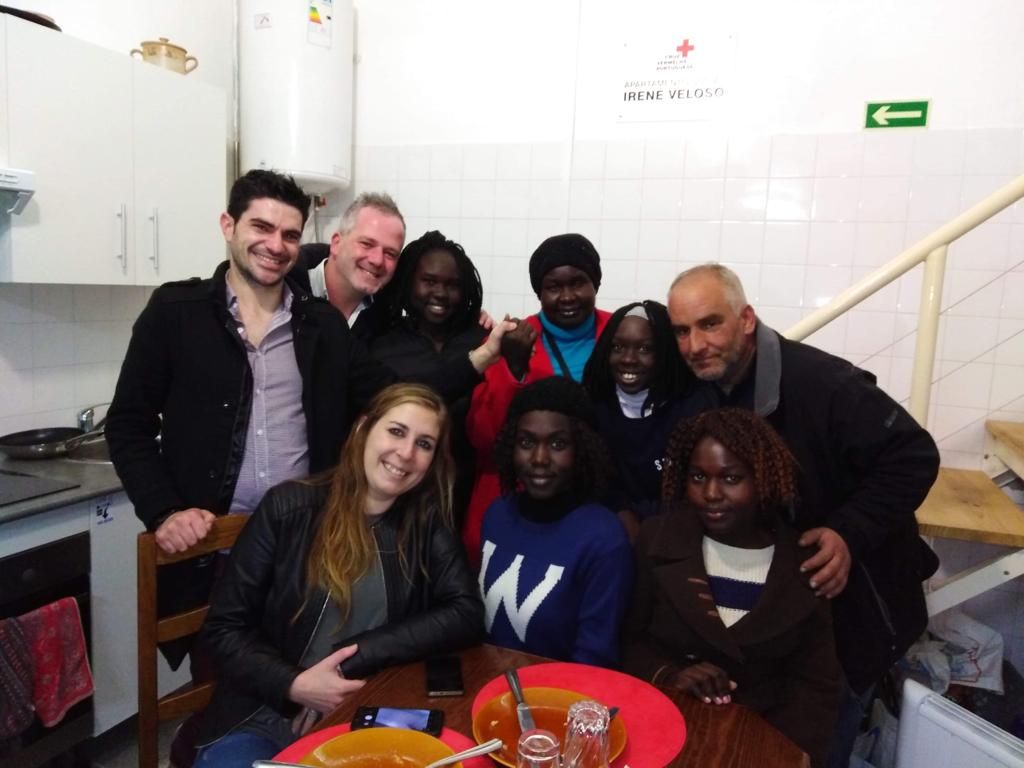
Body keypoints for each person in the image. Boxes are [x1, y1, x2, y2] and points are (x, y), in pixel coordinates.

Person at [666, 263, 940, 764]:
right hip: (779, 617)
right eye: (682, 331)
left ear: (747, 319)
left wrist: (848, 532)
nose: (695, 345)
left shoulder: (824, 383)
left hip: (850, 614)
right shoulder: (703, 389)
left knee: (815, 746)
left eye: (710, 324)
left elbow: (914, 456)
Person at [193, 384, 483, 768]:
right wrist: (295, 684)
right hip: (264, 715)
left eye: (424, 444)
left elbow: (466, 613)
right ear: (363, 428)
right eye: (396, 431)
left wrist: (353, 658)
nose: (406, 453)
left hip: (366, 712)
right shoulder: (288, 508)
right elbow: (223, 629)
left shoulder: (426, 523)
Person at [624, 408, 840, 767]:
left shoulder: (803, 564)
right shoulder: (657, 540)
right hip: (665, 732)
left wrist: (779, 757)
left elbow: (815, 688)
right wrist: (672, 676)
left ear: (762, 479)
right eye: (698, 477)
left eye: (731, 478)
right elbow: (629, 643)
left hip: (758, 747)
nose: (711, 493)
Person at [464, 233, 612, 561]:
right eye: (553, 286)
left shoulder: (621, 335)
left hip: (598, 501)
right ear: (539, 291)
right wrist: (515, 369)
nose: (567, 296)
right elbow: (484, 436)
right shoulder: (509, 340)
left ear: (596, 284)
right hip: (522, 501)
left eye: (578, 282)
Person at [478, 377, 633, 667]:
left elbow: (594, 659)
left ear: (582, 449)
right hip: (486, 685)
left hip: (557, 692)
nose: (539, 458)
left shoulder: (604, 539)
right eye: (526, 442)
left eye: (557, 444)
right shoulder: (497, 514)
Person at [370, 231, 489, 529]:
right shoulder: (383, 345)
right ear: (409, 282)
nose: (440, 293)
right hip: (398, 493)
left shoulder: (481, 340)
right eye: (429, 281)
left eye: (452, 285)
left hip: (467, 493)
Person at [582, 300, 709, 533]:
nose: (628, 359)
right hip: (609, 527)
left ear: (665, 353)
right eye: (617, 347)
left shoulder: (693, 407)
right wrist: (621, 512)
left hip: (676, 528)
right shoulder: (593, 406)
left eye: (644, 349)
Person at [297, 192, 406, 339]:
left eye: (390, 253)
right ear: (336, 243)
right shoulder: (287, 293)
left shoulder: (387, 318)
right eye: (366, 244)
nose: (377, 260)